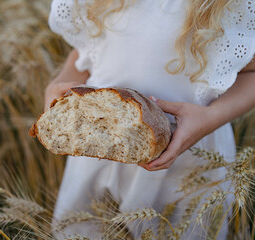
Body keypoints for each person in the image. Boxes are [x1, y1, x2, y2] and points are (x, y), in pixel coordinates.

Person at [44, 0, 255, 239]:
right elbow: (89, 49)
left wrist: (211, 117)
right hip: (96, 151)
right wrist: (57, 86)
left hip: (187, 164)